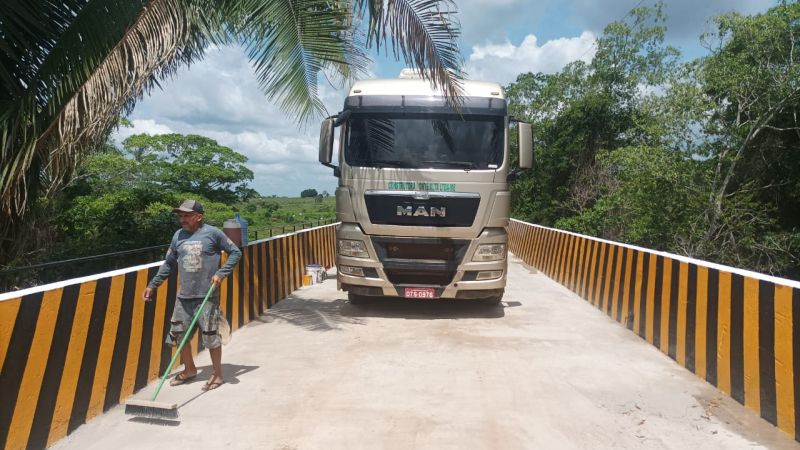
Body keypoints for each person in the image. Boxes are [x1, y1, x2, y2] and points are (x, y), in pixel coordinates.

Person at [142, 199, 242, 391]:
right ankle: (189, 370)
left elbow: (235, 252)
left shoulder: (213, 233)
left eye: (187, 215)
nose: (182, 219)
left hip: (207, 295)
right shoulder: (178, 236)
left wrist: (221, 273)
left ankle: (217, 374)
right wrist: (153, 284)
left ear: (199, 216)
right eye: (180, 216)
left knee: (211, 336)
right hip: (184, 296)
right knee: (179, 334)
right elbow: (169, 263)